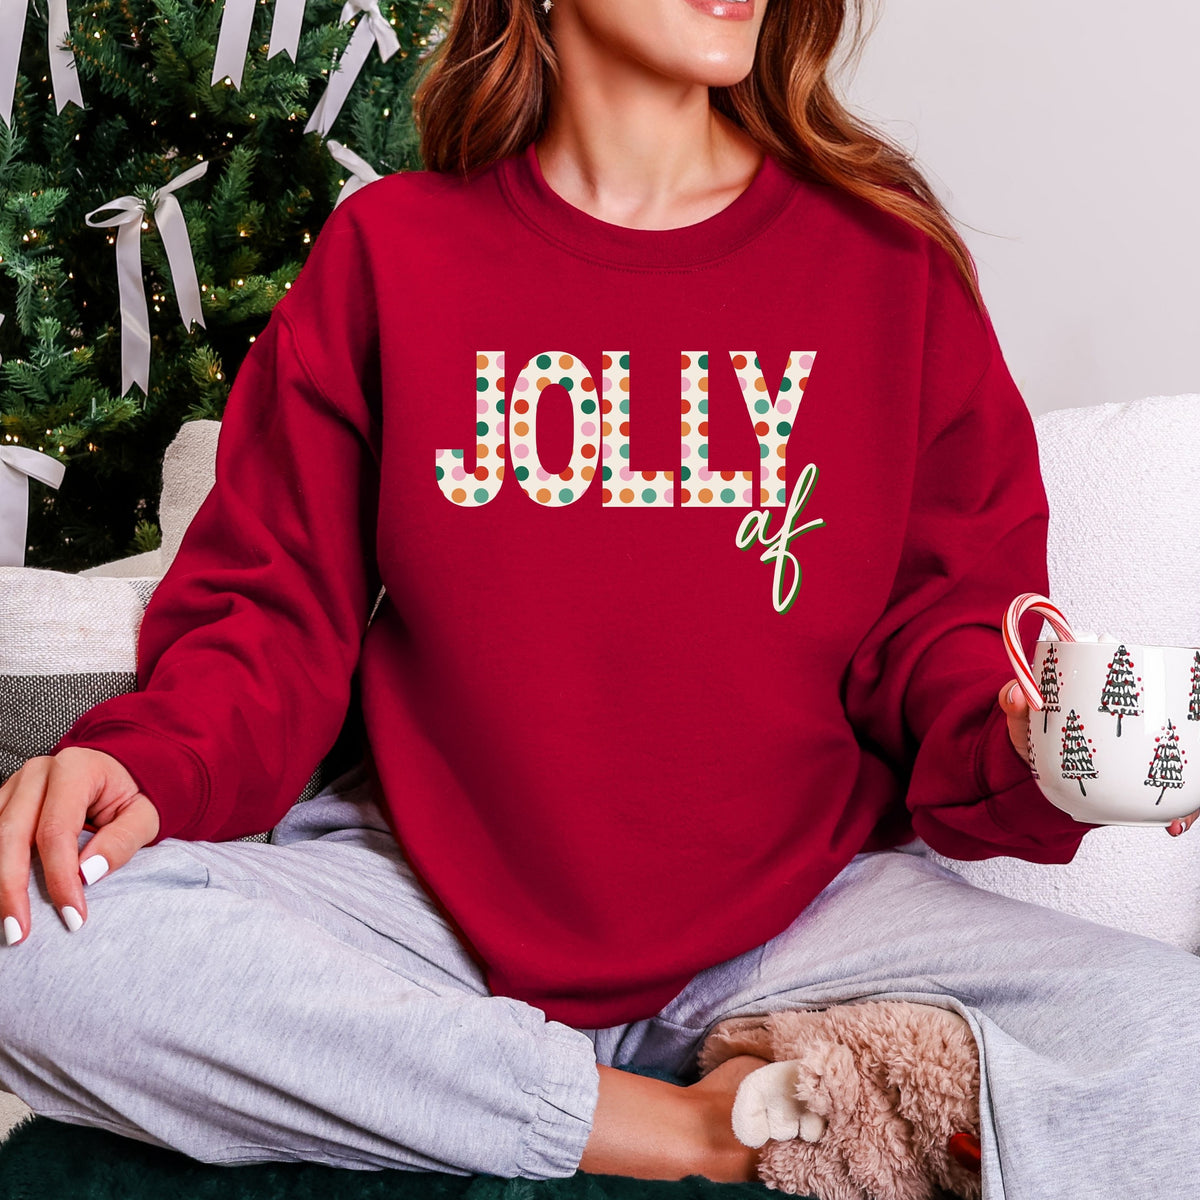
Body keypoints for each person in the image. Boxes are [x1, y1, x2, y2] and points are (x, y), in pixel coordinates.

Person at [1, 0, 1198, 1193]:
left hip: (804, 917)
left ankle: (576, 1084)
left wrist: (1033, 742)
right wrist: (151, 762)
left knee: (1177, 1045)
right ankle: (693, 1127)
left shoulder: (890, 268)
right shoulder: (394, 255)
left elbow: (940, 629)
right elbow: (271, 613)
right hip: (428, 903)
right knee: (30, 944)